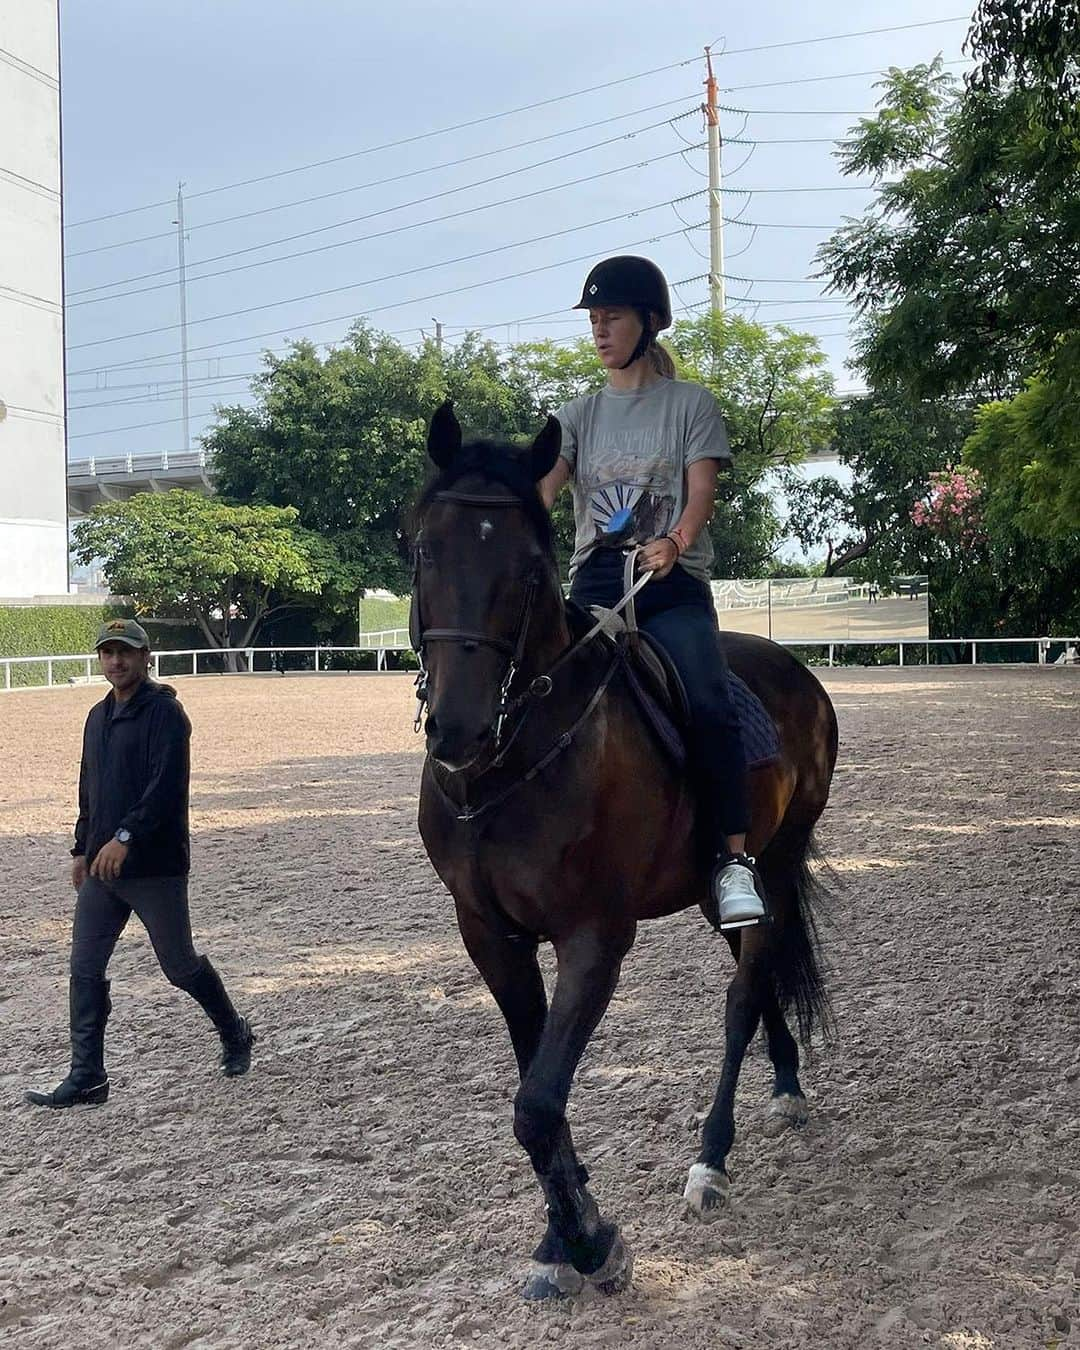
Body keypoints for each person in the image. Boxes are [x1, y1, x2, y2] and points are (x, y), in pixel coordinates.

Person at [539, 255, 764, 930]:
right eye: (595, 319)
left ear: (649, 322)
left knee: (709, 700)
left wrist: (676, 540)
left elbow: (700, 494)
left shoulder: (689, 405)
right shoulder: (574, 415)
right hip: (594, 584)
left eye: (612, 317)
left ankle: (732, 861)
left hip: (670, 581)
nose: (600, 329)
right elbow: (541, 492)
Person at [25, 619, 255, 1108]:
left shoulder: (167, 714)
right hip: (102, 871)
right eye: (107, 653)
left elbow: (165, 787)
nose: (115, 661)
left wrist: (125, 837)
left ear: (145, 656)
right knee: (84, 969)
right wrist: (81, 848)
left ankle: (235, 1031)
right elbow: (89, 787)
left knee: (179, 966)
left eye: (124, 652)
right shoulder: (96, 716)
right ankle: (87, 1076)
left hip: (154, 867)